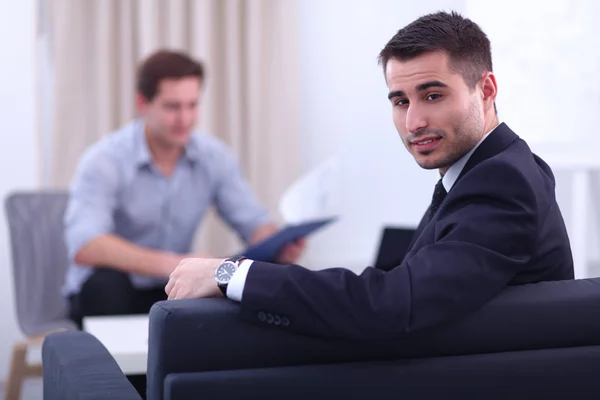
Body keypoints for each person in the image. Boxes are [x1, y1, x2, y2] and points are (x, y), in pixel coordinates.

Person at [165, 11, 574, 340]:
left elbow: (393, 306)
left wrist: (229, 273)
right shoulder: (497, 167)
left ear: (485, 91)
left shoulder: (502, 183)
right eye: (400, 100)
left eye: (433, 95)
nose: (413, 121)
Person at [63, 50, 305, 329]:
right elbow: (85, 245)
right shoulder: (104, 160)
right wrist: (178, 263)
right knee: (106, 287)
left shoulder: (214, 157)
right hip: (112, 293)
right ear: (143, 103)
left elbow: (253, 222)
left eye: (192, 105)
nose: (185, 118)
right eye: (172, 107)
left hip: (172, 288)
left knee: (256, 283)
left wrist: (278, 245)